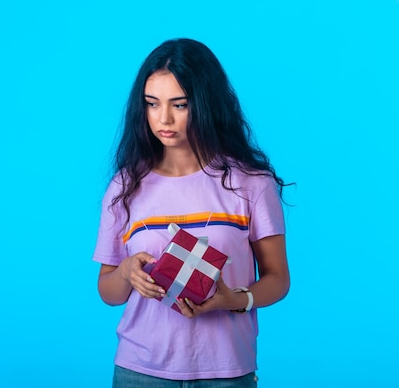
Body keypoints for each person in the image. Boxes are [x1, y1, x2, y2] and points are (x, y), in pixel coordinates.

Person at [93, 38, 291, 388]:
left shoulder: (251, 184)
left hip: (226, 371)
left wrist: (235, 300)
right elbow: (109, 293)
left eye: (179, 105)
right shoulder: (125, 187)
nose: (164, 118)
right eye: (152, 104)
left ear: (205, 103)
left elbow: (278, 279)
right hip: (140, 371)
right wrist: (126, 272)